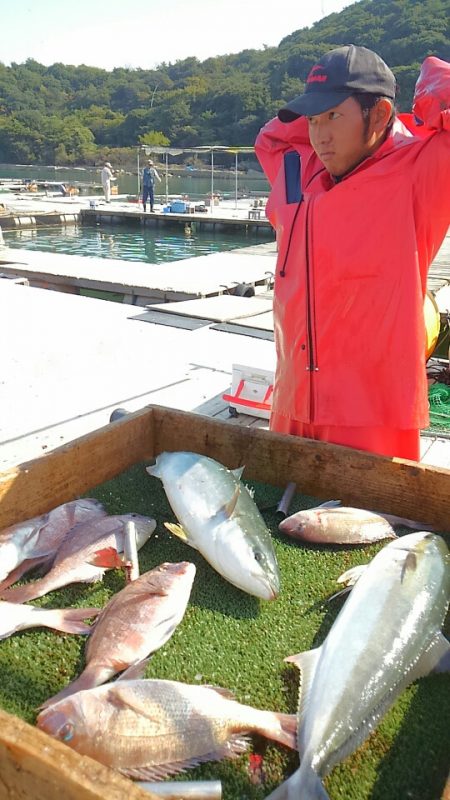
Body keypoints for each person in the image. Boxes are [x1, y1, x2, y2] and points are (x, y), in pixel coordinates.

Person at [255, 45, 450, 461]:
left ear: (379, 115)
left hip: (370, 414)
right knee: (278, 514)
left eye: (333, 116)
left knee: (368, 522)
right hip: (292, 399)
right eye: (312, 119)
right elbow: (270, 138)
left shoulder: (418, 174)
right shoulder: (298, 172)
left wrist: (428, 93)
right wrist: (323, 113)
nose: (319, 135)